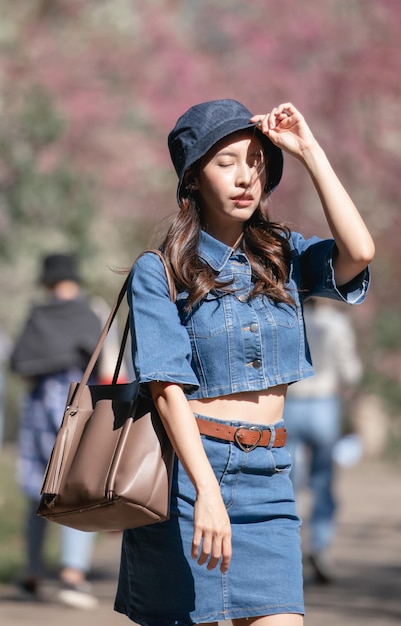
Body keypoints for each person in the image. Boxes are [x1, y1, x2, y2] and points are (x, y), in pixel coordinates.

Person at [114, 99, 374, 626]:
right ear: (193, 178)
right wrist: (206, 490)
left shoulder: (283, 255)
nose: (245, 176)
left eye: (257, 161)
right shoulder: (160, 271)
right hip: (188, 479)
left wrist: (308, 150)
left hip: (270, 478)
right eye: (226, 162)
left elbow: (359, 252)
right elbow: (166, 389)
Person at [10, 253, 102, 609]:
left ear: (47, 283)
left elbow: (19, 363)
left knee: (38, 489)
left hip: (37, 410)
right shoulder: (86, 313)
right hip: (75, 407)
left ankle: (33, 573)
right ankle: (72, 576)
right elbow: (101, 361)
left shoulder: (38, 315)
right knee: (74, 490)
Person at [283, 298, 363, 584]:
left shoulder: (293, 316)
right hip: (324, 405)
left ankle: (286, 547)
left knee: (288, 481)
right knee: (323, 481)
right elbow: (351, 371)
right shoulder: (337, 323)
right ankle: (321, 545)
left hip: (291, 404)